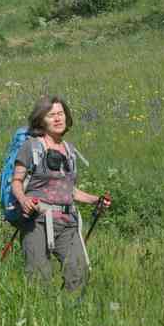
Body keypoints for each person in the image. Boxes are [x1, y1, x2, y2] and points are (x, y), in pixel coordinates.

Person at [10, 96, 109, 292]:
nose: (57, 119)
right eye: (51, 115)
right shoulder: (31, 147)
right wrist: (23, 199)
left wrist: (95, 199)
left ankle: (71, 315)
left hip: (67, 222)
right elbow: (16, 182)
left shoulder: (70, 150)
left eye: (61, 114)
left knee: (79, 273)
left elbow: (69, 191)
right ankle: (41, 319)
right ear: (41, 120)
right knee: (39, 279)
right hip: (36, 221)